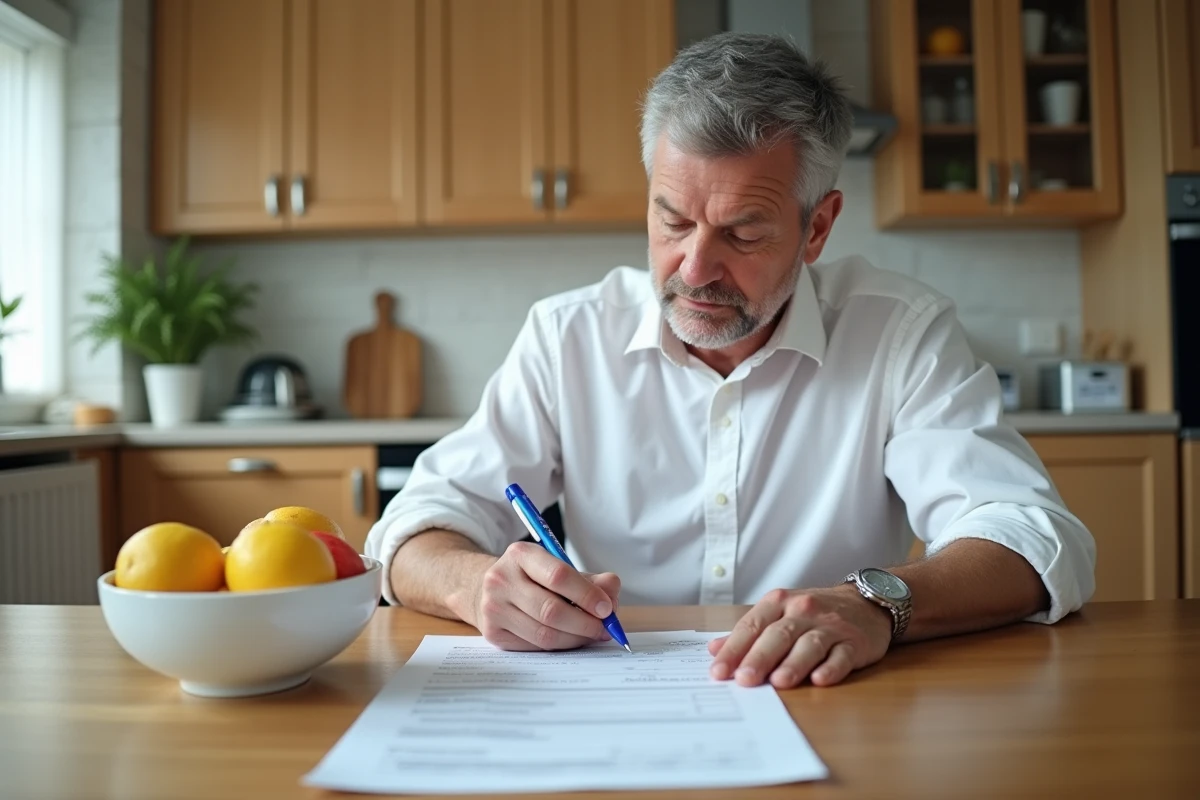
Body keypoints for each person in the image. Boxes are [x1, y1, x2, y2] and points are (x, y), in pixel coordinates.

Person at [364, 32, 1095, 690]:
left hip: (830, 701)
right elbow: (413, 528)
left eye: (744, 233)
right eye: (672, 221)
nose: (696, 268)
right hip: (614, 698)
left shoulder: (899, 331)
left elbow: (1035, 537)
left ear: (818, 227)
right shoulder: (568, 336)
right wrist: (474, 583)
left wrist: (877, 603)